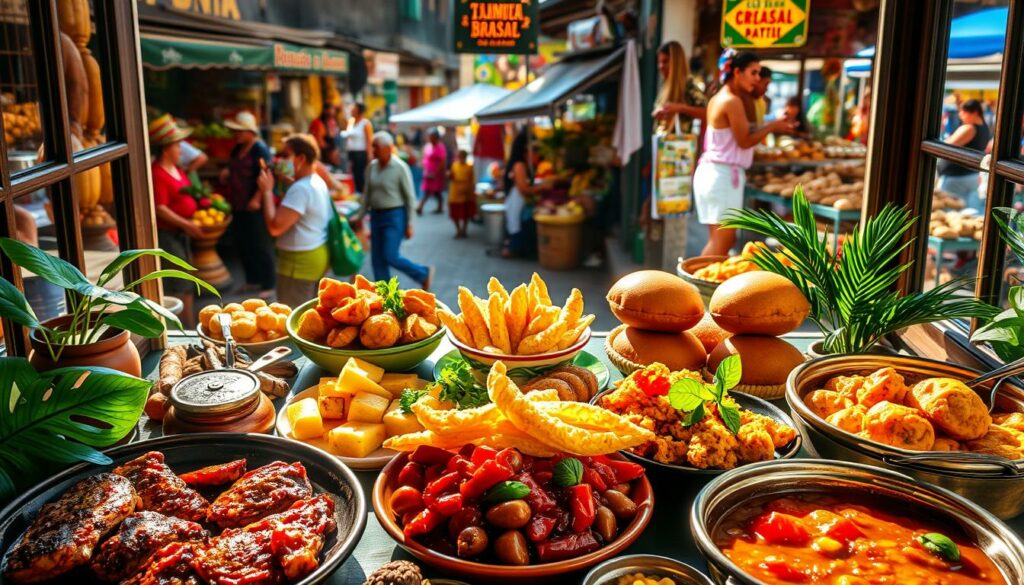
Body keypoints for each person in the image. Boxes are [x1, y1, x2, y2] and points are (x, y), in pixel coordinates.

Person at [693, 50, 795, 256]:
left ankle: (698, 285)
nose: (758, 79)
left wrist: (770, 125)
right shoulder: (732, 100)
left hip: (716, 174)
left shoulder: (720, 98)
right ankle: (696, 286)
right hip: (721, 177)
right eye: (754, 73)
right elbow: (745, 141)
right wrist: (772, 126)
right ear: (737, 72)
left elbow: (742, 130)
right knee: (722, 243)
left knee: (719, 242)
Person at [257, 134, 332, 307]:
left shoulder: (301, 189)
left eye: (285, 155)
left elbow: (275, 228)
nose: (280, 160)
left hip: (299, 265)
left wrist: (267, 192)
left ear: (301, 158)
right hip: (313, 257)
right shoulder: (314, 181)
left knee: (294, 321)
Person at [353, 131, 434, 289]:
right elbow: (367, 195)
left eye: (377, 147)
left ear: (388, 148)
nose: (374, 151)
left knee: (390, 255)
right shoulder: (371, 167)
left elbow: (410, 198)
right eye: (373, 147)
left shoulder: (400, 168)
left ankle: (422, 273)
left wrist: (410, 224)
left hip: (394, 216)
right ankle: (386, 296)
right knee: (377, 260)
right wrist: (359, 216)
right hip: (376, 216)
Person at [149, 114, 205, 325]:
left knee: (186, 280)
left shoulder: (177, 168)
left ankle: (188, 323)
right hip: (169, 235)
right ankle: (187, 326)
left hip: (181, 233)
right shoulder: (157, 173)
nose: (181, 149)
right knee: (180, 282)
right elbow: (160, 208)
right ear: (166, 149)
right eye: (177, 145)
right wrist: (187, 224)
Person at [220, 111, 276, 298]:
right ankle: (252, 280)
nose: (236, 134)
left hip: (254, 206)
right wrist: (227, 173)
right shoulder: (238, 148)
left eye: (240, 131)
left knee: (261, 244)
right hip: (238, 204)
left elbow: (266, 173)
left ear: (250, 132)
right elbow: (233, 166)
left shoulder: (259, 148)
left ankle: (268, 284)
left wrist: (257, 198)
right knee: (243, 243)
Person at [502, 129, 550, 258]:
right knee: (516, 226)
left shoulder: (519, 164)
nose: (535, 153)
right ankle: (513, 248)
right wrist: (542, 187)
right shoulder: (519, 165)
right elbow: (523, 188)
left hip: (517, 202)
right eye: (532, 149)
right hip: (517, 202)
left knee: (515, 226)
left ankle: (514, 247)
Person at [937, 99, 991, 210]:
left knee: (946, 213)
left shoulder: (969, 128)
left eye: (963, 112)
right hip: (971, 176)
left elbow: (945, 147)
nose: (960, 115)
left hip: (956, 179)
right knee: (964, 212)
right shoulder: (984, 127)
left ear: (975, 112)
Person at [652, 40, 707, 134]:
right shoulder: (665, 84)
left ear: (676, 62)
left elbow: (707, 113)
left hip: (681, 146)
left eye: (665, 61)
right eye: (659, 62)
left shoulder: (689, 85)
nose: (660, 66)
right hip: (664, 144)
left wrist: (680, 108)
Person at [341, 102, 373, 194]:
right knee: (352, 175)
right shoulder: (351, 122)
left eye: (354, 109)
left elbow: (369, 141)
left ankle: (362, 194)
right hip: (351, 153)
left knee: (360, 176)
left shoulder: (365, 124)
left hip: (361, 153)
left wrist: (369, 156)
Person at [418, 129, 448, 215]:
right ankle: (440, 206)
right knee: (432, 191)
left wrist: (436, 172)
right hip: (428, 172)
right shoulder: (427, 146)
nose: (430, 138)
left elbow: (443, 160)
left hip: (436, 173)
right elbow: (424, 158)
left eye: (432, 137)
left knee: (431, 191)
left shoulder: (440, 147)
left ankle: (420, 206)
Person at [448, 149, 475, 238]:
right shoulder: (454, 166)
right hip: (455, 193)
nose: (461, 158)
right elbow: (451, 176)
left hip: (466, 193)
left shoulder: (469, 167)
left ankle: (464, 230)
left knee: (465, 214)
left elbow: (472, 181)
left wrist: (471, 193)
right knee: (455, 214)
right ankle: (458, 230)